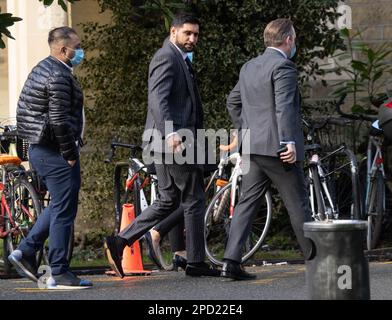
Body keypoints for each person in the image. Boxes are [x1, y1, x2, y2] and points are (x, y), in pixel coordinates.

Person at [104, 13, 219, 278]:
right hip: (173, 140)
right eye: (187, 33)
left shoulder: (179, 57)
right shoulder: (166, 56)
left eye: (196, 34)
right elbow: (158, 100)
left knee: (168, 199)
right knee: (194, 197)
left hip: (167, 141)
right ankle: (196, 263)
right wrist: (171, 133)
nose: (192, 39)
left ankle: (120, 241)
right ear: (173, 31)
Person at [221, 18, 313, 280]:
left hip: (251, 147)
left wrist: (245, 128)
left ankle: (230, 262)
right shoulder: (284, 67)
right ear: (288, 40)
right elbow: (283, 107)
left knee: (247, 203)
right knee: (298, 204)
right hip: (277, 149)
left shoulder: (249, 67)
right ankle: (316, 261)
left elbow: (232, 101)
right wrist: (288, 142)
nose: (294, 42)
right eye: (293, 38)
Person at [9, 26, 92, 289]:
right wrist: (69, 153)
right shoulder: (57, 74)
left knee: (59, 204)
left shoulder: (48, 68)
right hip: (54, 151)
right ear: (63, 49)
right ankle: (59, 271)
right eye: (77, 47)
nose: (80, 51)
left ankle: (25, 252)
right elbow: (57, 119)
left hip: (44, 149)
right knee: (65, 210)